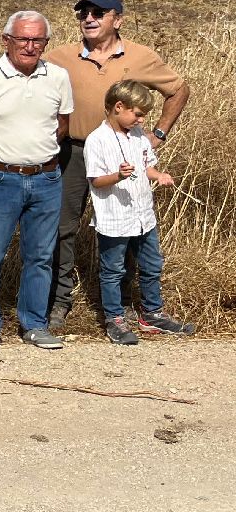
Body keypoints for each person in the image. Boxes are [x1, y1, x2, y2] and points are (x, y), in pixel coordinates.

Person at [43, 0, 190, 332]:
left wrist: (158, 134)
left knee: (127, 225)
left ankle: (122, 304)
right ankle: (60, 300)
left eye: (98, 13)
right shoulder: (59, 57)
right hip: (73, 153)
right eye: (83, 14)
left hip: (123, 152)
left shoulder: (140, 56)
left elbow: (179, 90)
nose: (89, 19)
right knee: (63, 228)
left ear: (118, 20)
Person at [0, 11, 74, 352]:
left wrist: (37, 154)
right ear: (6, 40)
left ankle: (34, 324)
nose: (30, 46)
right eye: (23, 38)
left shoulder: (58, 78)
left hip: (46, 179)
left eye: (38, 40)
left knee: (39, 255)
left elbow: (62, 124)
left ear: (45, 44)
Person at [85, 80, 194, 342]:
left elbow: (147, 165)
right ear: (118, 107)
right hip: (114, 217)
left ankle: (152, 314)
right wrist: (118, 176)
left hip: (143, 215)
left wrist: (159, 175)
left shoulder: (138, 136)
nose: (142, 119)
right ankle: (115, 318)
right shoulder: (96, 140)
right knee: (113, 269)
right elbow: (96, 180)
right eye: (138, 113)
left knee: (151, 264)